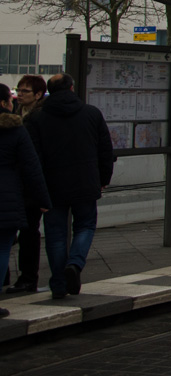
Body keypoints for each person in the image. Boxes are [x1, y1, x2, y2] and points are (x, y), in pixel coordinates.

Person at [26, 73, 114, 300]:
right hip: (85, 182)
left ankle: (58, 284)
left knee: (55, 235)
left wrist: (37, 190)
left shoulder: (36, 118)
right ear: (72, 88)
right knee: (85, 226)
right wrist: (103, 178)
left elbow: (33, 158)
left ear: (49, 91)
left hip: (52, 186)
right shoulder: (91, 113)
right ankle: (74, 264)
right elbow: (105, 150)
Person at [0, 83, 52, 317]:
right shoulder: (15, 129)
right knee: (2, 248)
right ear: (5, 103)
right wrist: (43, 199)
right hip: (7, 196)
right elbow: (32, 167)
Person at [6, 75, 47, 293]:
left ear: (38, 94)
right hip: (15, 184)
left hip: (30, 185)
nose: (20, 94)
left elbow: (36, 157)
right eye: (18, 90)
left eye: (25, 91)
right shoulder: (15, 114)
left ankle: (28, 277)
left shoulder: (40, 117)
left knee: (29, 231)